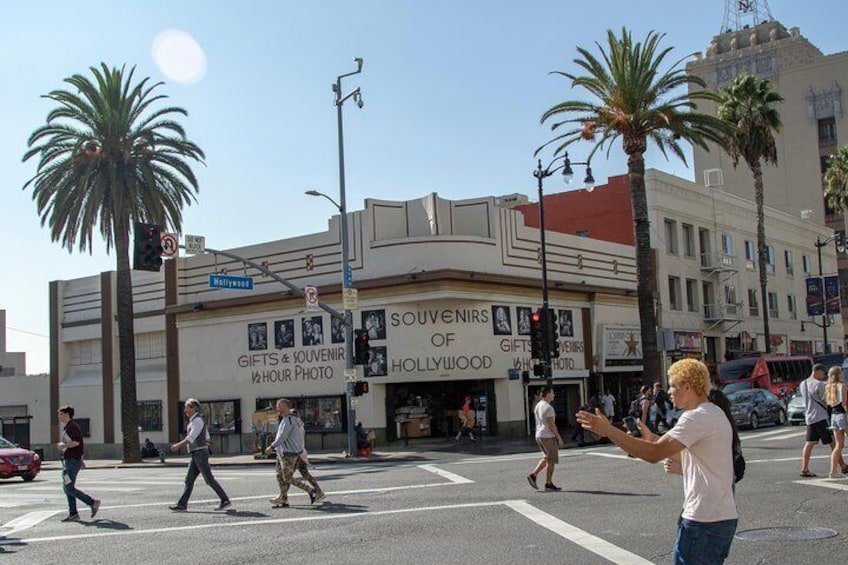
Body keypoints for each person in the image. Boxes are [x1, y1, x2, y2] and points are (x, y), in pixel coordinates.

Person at [577, 359, 738, 564]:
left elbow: (654, 454)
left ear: (688, 386)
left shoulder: (696, 418)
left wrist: (609, 430)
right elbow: (692, 456)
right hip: (720, 518)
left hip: (703, 520)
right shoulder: (714, 413)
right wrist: (652, 440)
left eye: (672, 385)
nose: (668, 392)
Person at [169, 398, 231, 511]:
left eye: (187, 407)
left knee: (209, 479)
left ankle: (225, 500)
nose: (185, 410)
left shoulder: (197, 421)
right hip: (196, 453)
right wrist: (206, 440)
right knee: (189, 480)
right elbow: (206, 435)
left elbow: (191, 438)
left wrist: (177, 445)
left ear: (193, 408)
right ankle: (182, 504)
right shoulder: (194, 421)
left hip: (200, 453)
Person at [264, 398, 319, 508]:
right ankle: (283, 499)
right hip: (282, 453)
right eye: (277, 406)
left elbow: (282, 437)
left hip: (289, 454)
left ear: (287, 407)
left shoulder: (289, 420)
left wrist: (272, 446)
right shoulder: (285, 420)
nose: (277, 408)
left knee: (287, 478)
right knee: (279, 475)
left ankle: (311, 491)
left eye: (280, 406)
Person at [57, 405, 101, 522]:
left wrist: (63, 445)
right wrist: (81, 460)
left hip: (71, 462)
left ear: (67, 414)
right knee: (67, 487)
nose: (59, 416)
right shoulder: (69, 427)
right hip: (70, 461)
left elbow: (76, 442)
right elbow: (80, 445)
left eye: (61, 414)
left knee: (69, 488)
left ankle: (92, 502)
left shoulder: (72, 427)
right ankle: (73, 513)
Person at [799, 363, 834, 477]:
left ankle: (804, 468)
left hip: (809, 417)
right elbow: (826, 400)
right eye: (823, 373)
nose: (823, 375)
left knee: (809, 443)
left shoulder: (803, 384)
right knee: (832, 442)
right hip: (821, 416)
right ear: (817, 371)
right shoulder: (819, 384)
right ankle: (843, 466)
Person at [527, 387, 564, 491]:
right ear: (547, 394)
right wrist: (559, 438)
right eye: (552, 393)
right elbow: (551, 425)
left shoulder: (538, 405)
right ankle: (548, 483)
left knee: (546, 457)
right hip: (547, 436)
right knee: (551, 460)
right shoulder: (549, 408)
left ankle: (533, 475)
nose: (554, 395)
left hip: (539, 435)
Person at [289, 408, 327, 501]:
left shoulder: (294, 425)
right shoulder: (300, 424)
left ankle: (283, 496)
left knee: (287, 476)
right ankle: (319, 492)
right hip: (301, 452)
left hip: (296, 453)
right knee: (304, 474)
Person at [824, 366, 848, 479]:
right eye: (841, 372)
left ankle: (832, 471)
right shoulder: (842, 386)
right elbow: (844, 402)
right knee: (840, 444)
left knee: (839, 445)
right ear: (838, 374)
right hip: (843, 414)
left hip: (834, 415)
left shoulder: (828, 386)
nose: (843, 374)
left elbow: (828, 403)